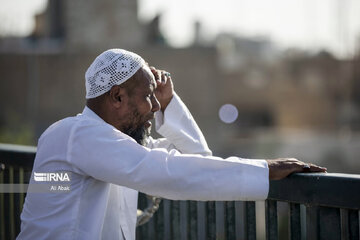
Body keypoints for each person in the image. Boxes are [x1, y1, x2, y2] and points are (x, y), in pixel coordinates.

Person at [17, 49, 326, 240]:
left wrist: (170, 102)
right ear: (117, 97)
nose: (154, 106)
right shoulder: (77, 134)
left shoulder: (118, 146)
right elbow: (167, 173)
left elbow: (196, 159)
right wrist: (265, 169)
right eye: (148, 96)